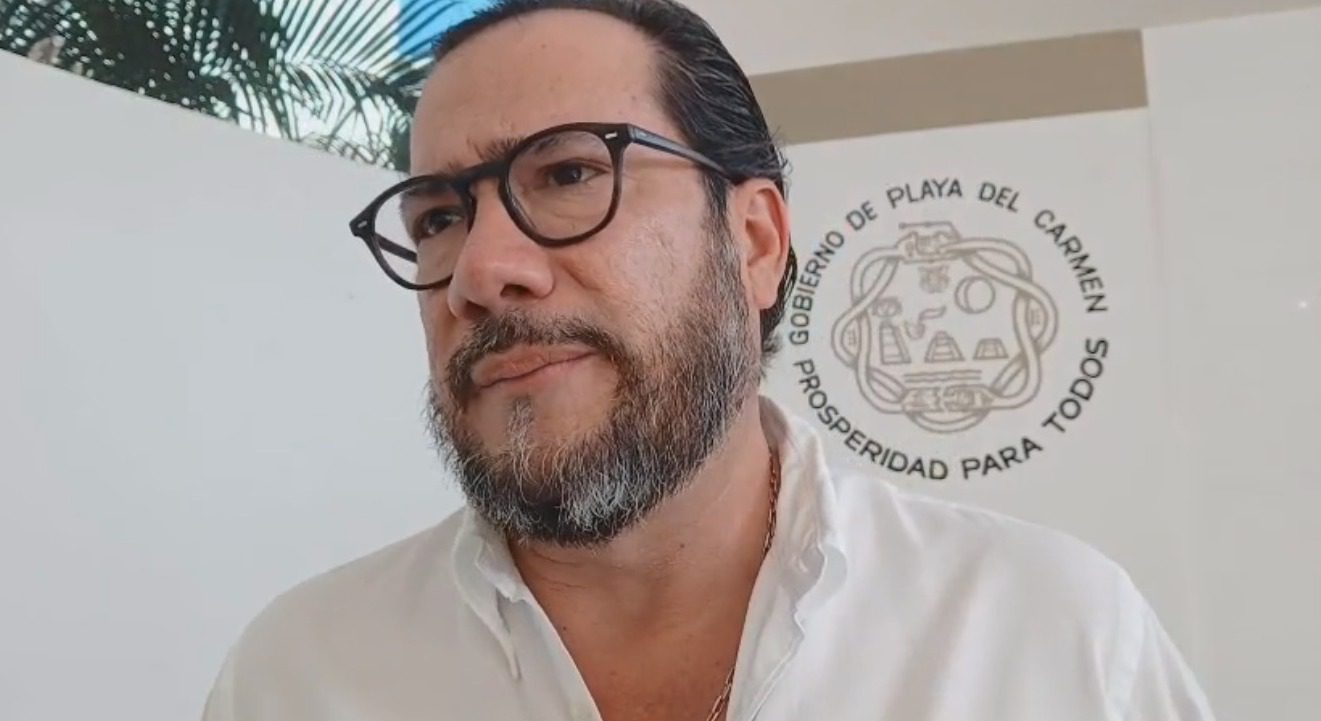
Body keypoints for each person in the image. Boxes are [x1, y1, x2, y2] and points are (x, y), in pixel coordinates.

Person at [203, 1, 1215, 719]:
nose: (479, 270)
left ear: (755, 242)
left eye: (568, 173)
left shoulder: (1050, 636)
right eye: (437, 217)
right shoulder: (302, 676)